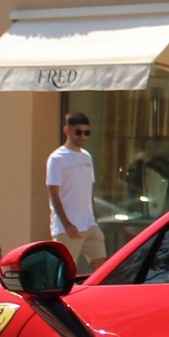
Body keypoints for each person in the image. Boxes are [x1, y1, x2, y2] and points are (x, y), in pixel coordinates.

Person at [45, 109, 105, 272]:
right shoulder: (56, 159)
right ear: (67, 130)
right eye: (78, 132)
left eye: (87, 133)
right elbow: (54, 194)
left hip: (89, 224)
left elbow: (88, 191)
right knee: (65, 272)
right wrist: (67, 224)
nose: (83, 137)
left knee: (104, 268)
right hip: (68, 227)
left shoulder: (87, 157)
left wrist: (94, 219)